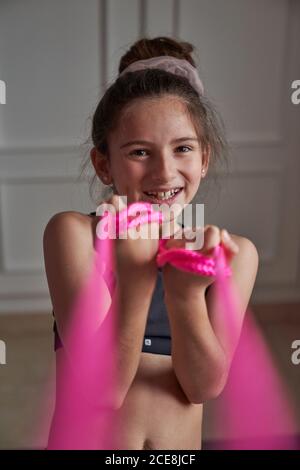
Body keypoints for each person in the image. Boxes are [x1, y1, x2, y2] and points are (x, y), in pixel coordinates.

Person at [43, 36, 259, 450]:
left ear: (204, 158)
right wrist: (135, 274)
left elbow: (202, 387)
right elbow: (102, 392)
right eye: (140, 151)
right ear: (104, 164)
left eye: (183, 148)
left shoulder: (232, 255)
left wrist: (187, 296)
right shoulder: (74, 235)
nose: (164, 172)